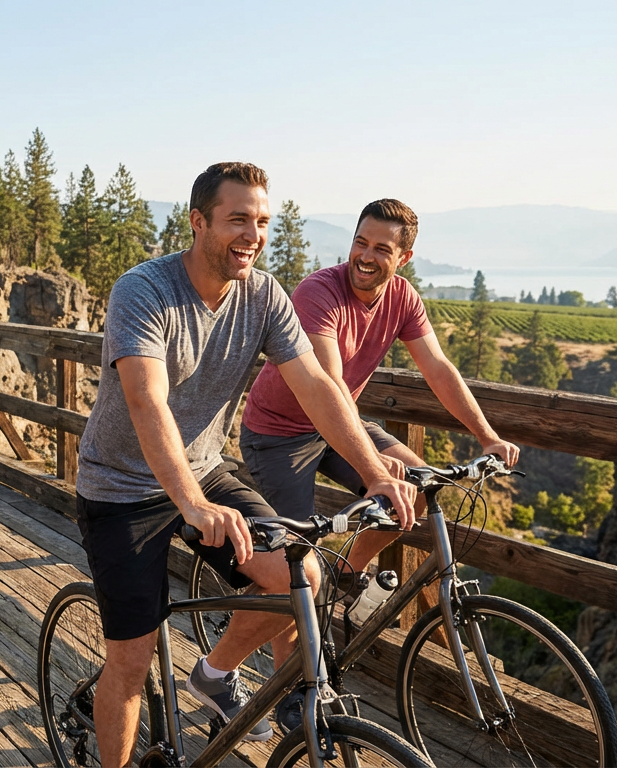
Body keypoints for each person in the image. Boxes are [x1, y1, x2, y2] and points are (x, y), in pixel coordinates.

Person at [75, 163, 417, 766]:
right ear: (198, 222)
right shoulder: (143, 290)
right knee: (131, 658)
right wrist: (191, 504)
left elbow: (317, 386)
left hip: (204, 470)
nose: (252, 235)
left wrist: (374, 472)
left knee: (301, 574)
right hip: (121, 488)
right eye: (237, 219)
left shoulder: (264, 295)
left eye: (261, 221)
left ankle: (211, 674)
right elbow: (146, 400)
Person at [240, 198, 520, 578]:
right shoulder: (318, 292)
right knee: (295, 564)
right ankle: (293, 603)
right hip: (278, 435)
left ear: (404, 258)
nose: (366, 256)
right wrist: (371, 463)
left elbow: (438, 369)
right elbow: (330, 382)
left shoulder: (403, 298)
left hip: (341, 423)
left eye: (382, 249)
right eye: (361, 242)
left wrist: (488, 438)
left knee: (418, 488)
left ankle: (344, 576)